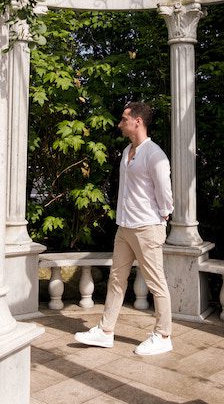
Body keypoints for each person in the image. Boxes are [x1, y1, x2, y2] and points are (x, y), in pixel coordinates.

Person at [74, 101, 174, 356]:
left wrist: (162, 217)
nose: (120, 124)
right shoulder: (127, 151)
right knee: (117, 280)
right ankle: (106, 331)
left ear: (137, 122)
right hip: (125, 226)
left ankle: (163, 335)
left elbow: (165, 193)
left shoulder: (155, 155)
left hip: (147, 227)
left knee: (156, 283)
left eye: (124, 119)